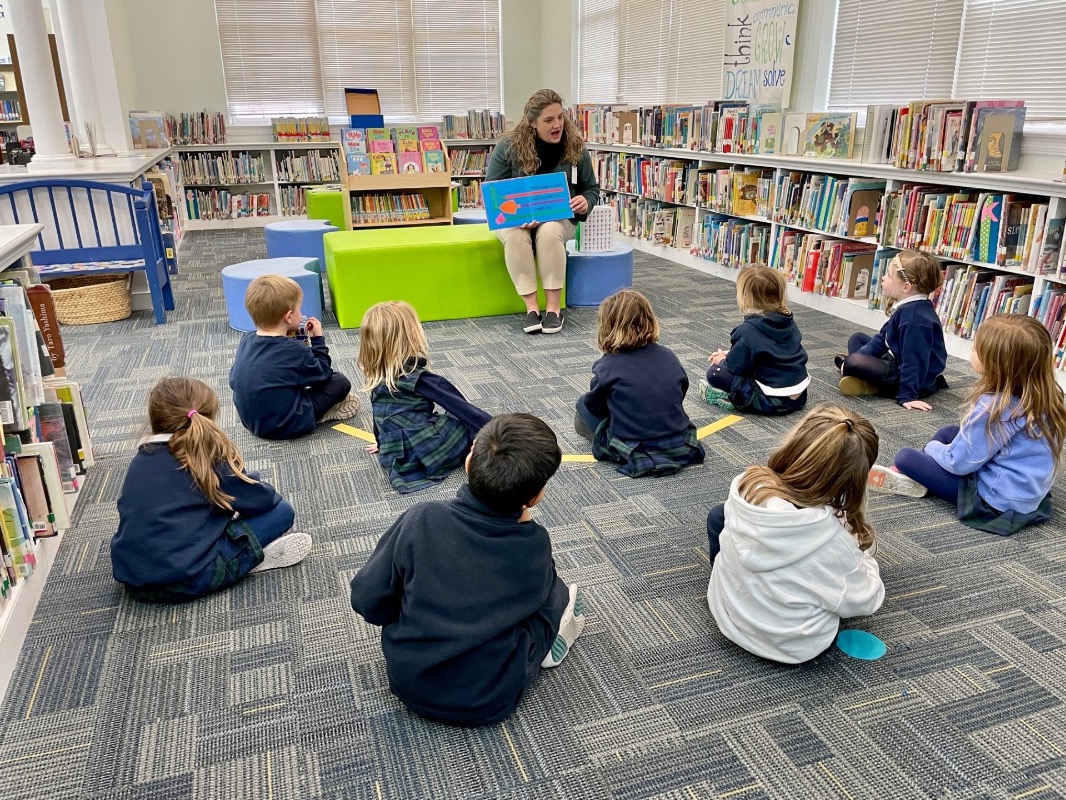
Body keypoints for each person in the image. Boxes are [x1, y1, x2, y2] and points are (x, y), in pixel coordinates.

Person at [350, 413, 586, 726]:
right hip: (490, 699)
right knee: (554, 591)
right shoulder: (533, 544)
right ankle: (549, 639)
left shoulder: (421, 519)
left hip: (409, 681)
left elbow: (366, 599)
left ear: (468, 462)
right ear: (536, 497)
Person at [706, 404, 884, 664]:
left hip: (727, 613)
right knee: (837, 583)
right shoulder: (835, 544)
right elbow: (867, 601)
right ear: (853, 483)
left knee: (718, 515)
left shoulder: (748, 485)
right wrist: (864, 558)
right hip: (790, 647)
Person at [110, 377, 310, 602]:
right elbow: (265, 500)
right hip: (187, 580)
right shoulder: (206, 460)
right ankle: (246, 563)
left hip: (133, 580)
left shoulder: (141, 458)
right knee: (283, 511)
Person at [869, 314, 1066, 535]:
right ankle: (922, 475)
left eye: (976, 348)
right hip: (1027, 494)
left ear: (996, 363)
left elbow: (959, 463)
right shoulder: (1048, 398)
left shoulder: (995, 408)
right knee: (950, 432)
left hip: (993, 502)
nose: (972, 348)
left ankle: (912, 475)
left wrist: (933, 449)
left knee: (905, 457)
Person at [485, 88, 599, 335]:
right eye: (548, 120)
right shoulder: (508, 146)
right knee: (516, 237)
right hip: (516, 220)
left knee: (549, 231)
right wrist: (517, 218)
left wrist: (585, 202)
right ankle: (532, 309)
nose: (557, 124)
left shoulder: (575, 146)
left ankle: (554, 310)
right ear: (533, 122)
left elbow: (591, 188)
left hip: (558, 218)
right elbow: (493, 192)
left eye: (560, 117)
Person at [358, 301, 492, 493]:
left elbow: (378, 414)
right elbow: (466, 410)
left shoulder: (378, 377)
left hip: (396, 454)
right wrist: (501, 431)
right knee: (461, 420)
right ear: (413, 335)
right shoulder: (421, 379)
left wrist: (382, 443)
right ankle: (481, 453)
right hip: (427, 452)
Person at [576, 289, 705, 477]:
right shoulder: (669, 356)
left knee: (582, 404)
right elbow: (681, 390)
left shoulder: (607, 367)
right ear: (650, 320)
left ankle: (608, 443)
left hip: (635, 443)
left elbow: (596, 407)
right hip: (677, 437)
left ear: (607, 327)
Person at [229, 274, 359, 439]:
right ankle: (318, 415)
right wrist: (318, 340)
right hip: (288, 424)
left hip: (251, 422)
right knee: (340, 381)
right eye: (299, 308)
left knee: (286, 379)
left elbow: (235, 378)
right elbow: (323, 373)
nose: (301, 313)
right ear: (289, 316)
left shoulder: (246, 340)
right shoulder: (294, 350)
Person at [836, 249, 948, 409]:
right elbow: (883, 338)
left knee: (854, 361)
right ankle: (857, 371)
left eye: (888, 275)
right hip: (896, 358)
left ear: (906, 287)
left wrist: (908, 395)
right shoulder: (907, 306)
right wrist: (861, 356)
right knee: (857, 339)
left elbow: (914, 361)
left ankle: (866, 379)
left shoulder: (915, 319)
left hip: (913, 379)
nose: (883, 277)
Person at [700, 265, 810, 415]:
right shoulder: (787, 321)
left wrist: (721, 361)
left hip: (771, 401)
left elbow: (736, 367)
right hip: (799, 397)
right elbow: (770, 350)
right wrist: (730, 352)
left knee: (714, 373)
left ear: (746, 298)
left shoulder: (747, 331)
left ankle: (736, 399)